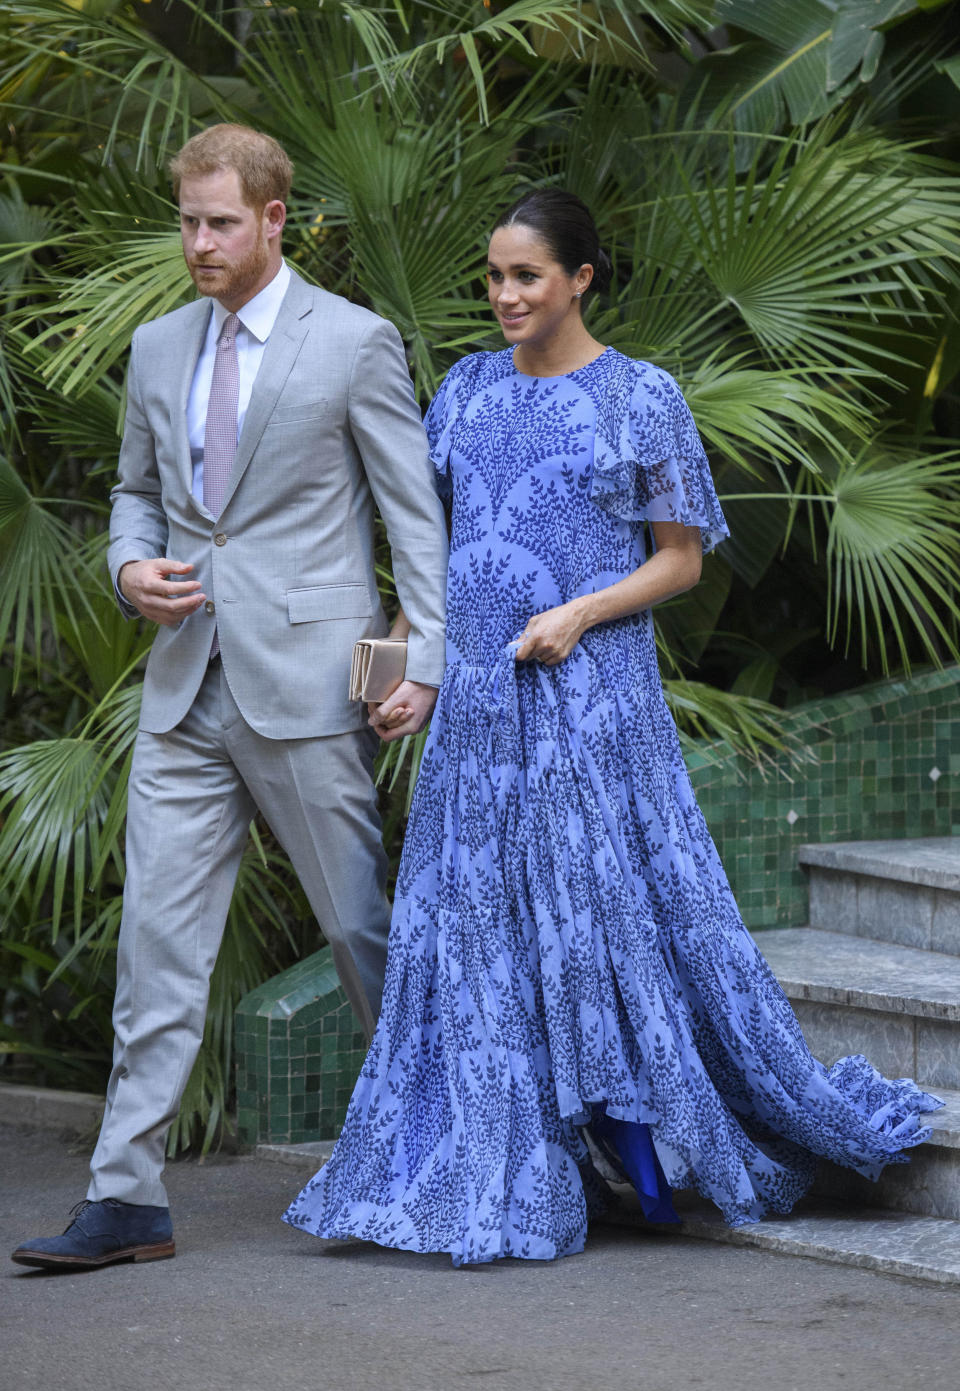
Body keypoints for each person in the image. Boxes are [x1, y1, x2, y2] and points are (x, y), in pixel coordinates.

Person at [282, 188, 942, 1266]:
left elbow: (681, 557)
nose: (503, 296)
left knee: (602, 925)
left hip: (591, 703)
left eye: (526, 276)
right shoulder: (462, 393)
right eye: (494, 277)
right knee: (476, 930)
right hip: (481, 717)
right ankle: (500, 1149)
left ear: (581, 277)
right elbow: (437, 561)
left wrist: (580, 613)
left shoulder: (643, 396)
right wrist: (411, 671)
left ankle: (653, 1152)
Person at [11, 124, 448, 1271]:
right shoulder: (157, 348)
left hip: (309, 690)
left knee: (360, 931)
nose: (197, 242)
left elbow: (414, 519)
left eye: (218, 222)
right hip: (181, 690)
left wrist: (428, 661)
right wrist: (126, 567)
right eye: (187, 220)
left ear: (272, 219)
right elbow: (133, 495)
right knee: (154, 948)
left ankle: (449, 1145)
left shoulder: (353, 342)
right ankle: (126, 1195)